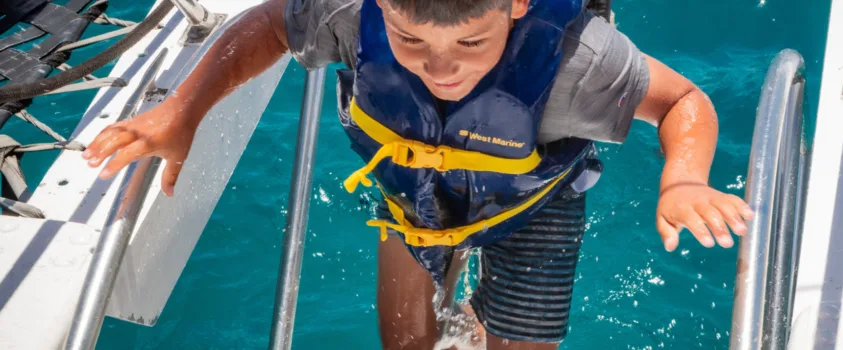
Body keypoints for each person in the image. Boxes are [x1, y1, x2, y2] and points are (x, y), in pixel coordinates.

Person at [81, 0, 755, 348]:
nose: (440, 68)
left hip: (534, 206)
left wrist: (684, 180)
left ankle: (486, 318)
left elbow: (682, 102)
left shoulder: (581, 62)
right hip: (416, 198)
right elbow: (269, 25)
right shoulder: (350, 13)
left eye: (470, 43)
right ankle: (463, 319)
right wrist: (183, 111)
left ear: (517, 5)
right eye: (409, 41)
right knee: (405, 344)